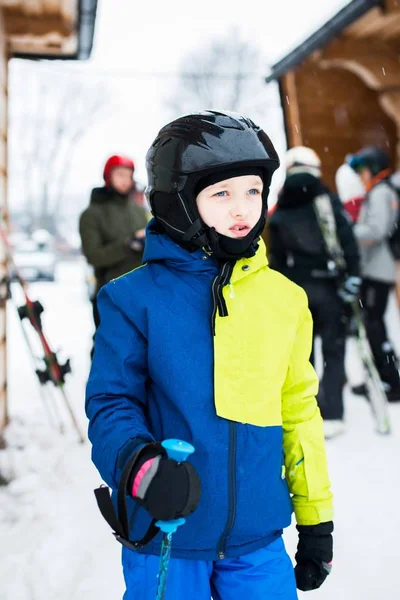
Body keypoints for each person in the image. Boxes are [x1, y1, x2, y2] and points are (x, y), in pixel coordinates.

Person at [86, 112, 334, 600]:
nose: (242, 207)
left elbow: (298, 409)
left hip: (258, 543)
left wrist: (315, 517)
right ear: (179, 201)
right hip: (166, 538)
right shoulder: (133, 299)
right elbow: (111, 404)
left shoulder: (284, 299)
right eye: (221, 193)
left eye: (253, 191)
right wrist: (140, 465)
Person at [267, 146, 360, 439]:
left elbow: (277, 257)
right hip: (329, 286)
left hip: (297, 289)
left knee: (302, 355)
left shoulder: (281, 206)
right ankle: (333, 414)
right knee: (333, 349)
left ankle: (308, 410)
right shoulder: (326, 199)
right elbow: (346, 239)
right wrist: (353, 275)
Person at [348, 146, 400, 401]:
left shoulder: (380, 192)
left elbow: (377, 230)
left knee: (374, 326)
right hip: (377, 269)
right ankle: (387, 375)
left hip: (378, 270)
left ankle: (392, 381)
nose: (361, 176)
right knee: (374, 325)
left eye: (363, 171)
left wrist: (349, 233)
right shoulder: (380, 191)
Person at [79, 155, 149, 335]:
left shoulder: (140, 212)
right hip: (110, 296)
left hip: (142, 294)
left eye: (129, 175)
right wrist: (127, 245)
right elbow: (93, 255)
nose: (125, 180)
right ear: (108, 177)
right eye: (119, 174)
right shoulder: (92, 214)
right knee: (110, 352)